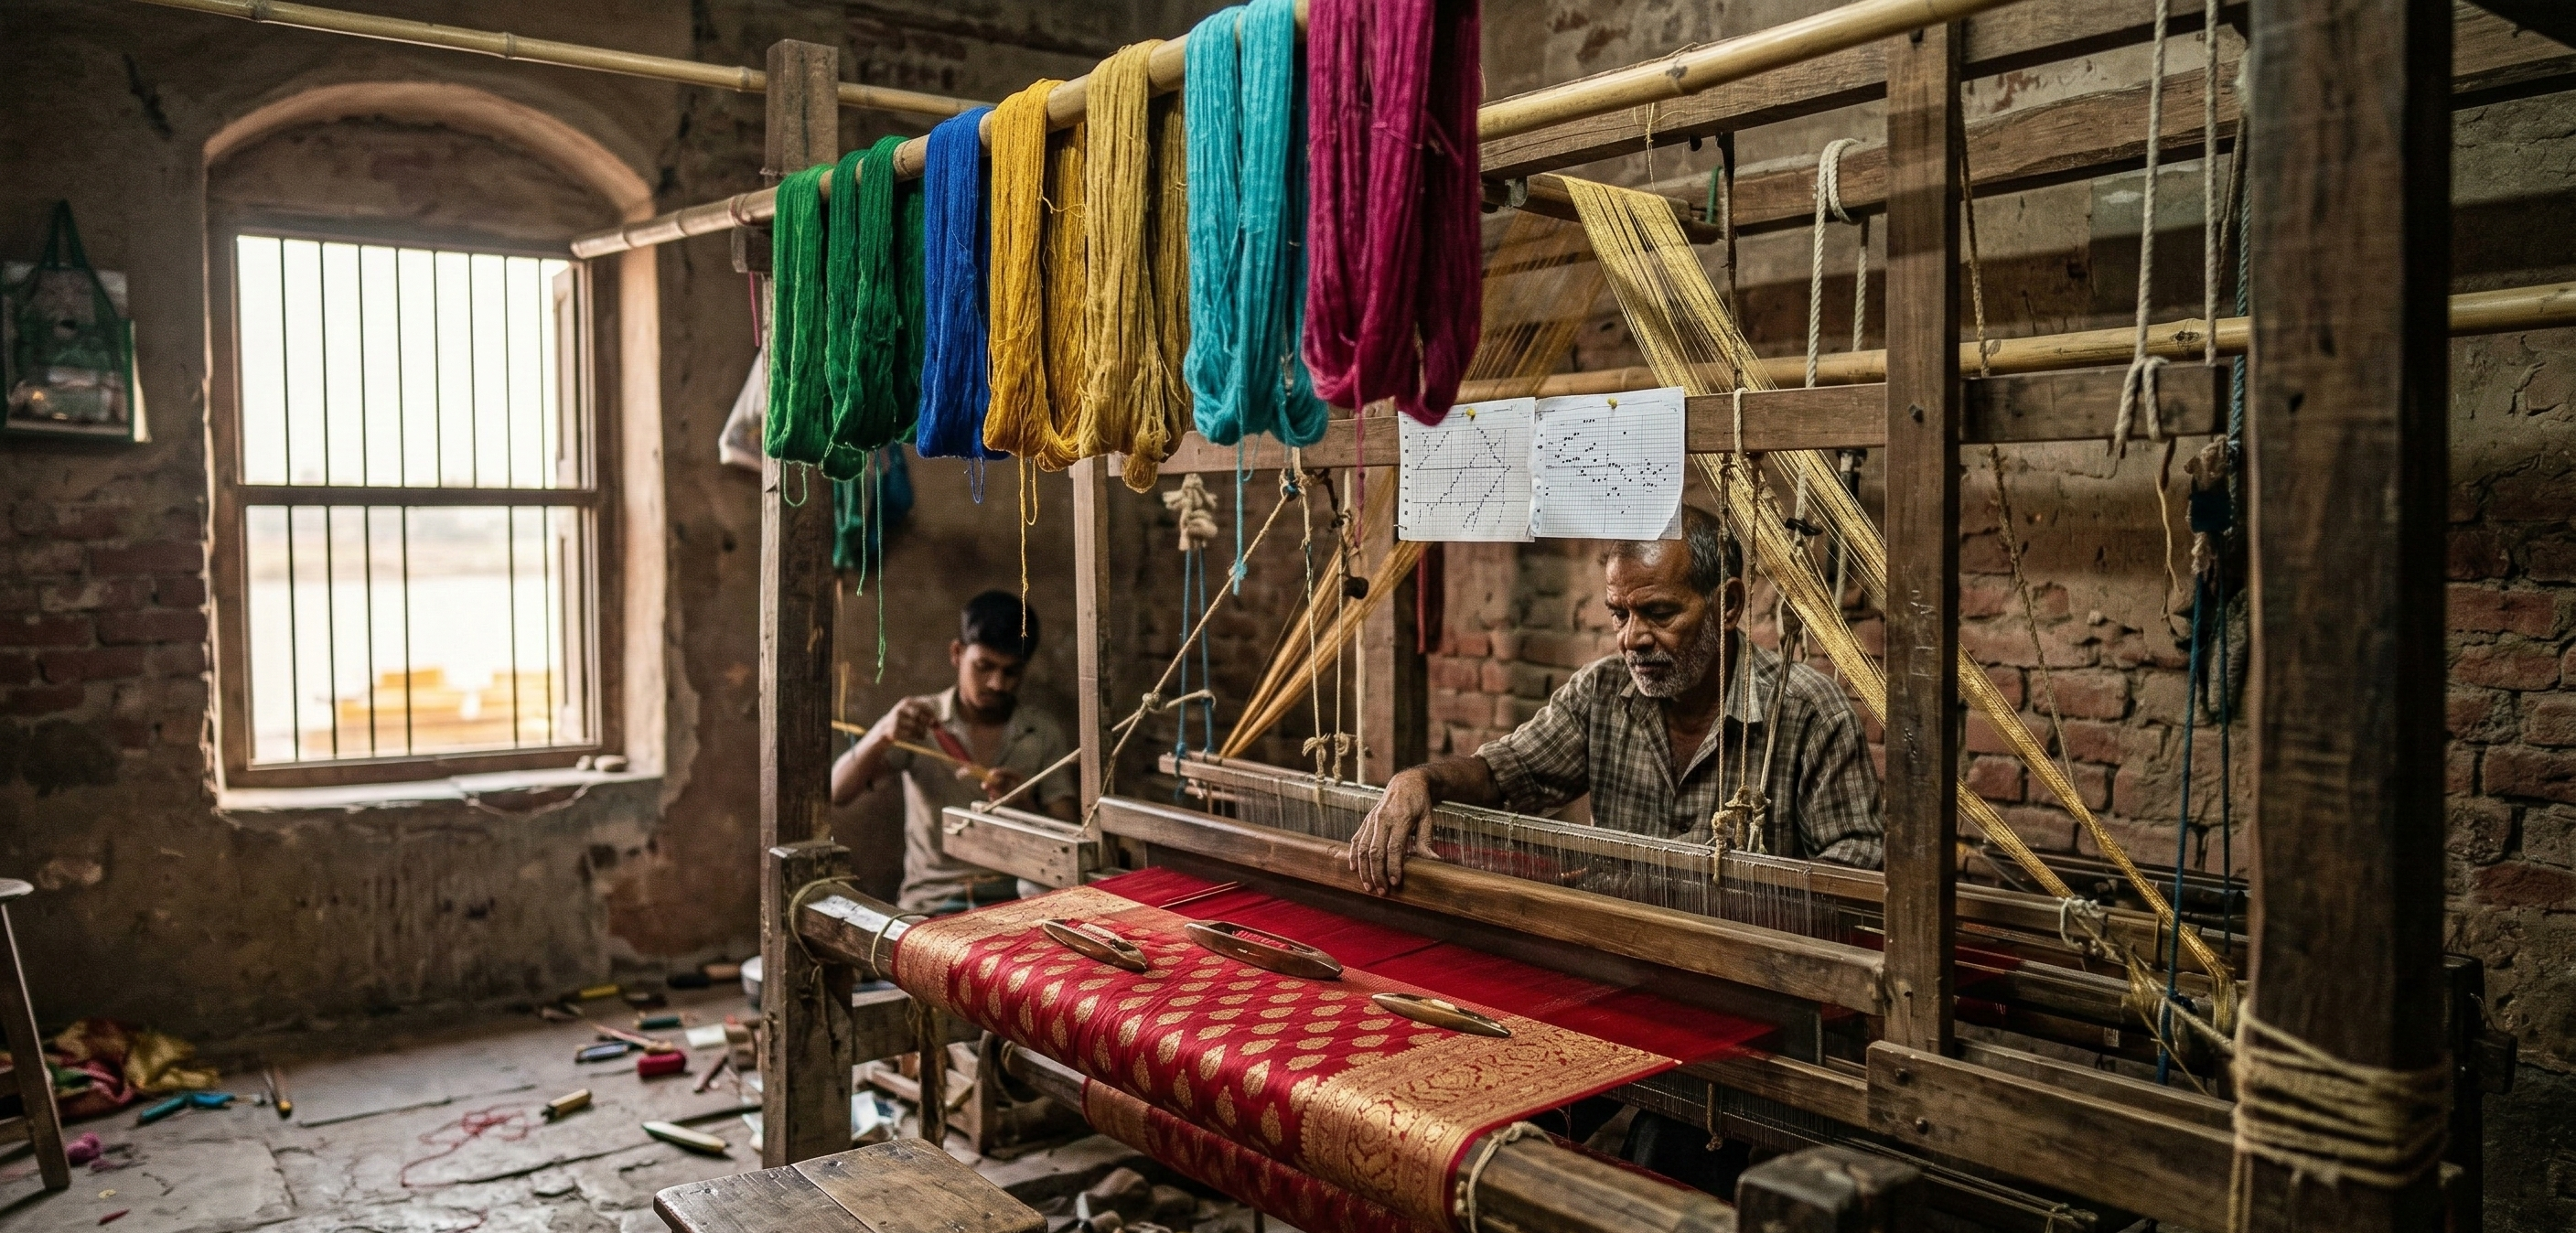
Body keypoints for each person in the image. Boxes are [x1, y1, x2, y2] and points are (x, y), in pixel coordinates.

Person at [1349, 504, 1883, 893]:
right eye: (1620, 614)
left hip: (1758, 981)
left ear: (1728, 605)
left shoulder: (1809, 712)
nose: (1632, 638)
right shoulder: (1602, 693)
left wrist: (1697, 895)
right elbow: (1504, 775)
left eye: (1659, 613)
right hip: (1623, 961)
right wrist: (1419, 780)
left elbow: (1857, 869)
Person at [833, 591, 1079, 915]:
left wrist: (1023, 807)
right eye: (984, 666)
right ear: (957, 653)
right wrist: (881, 734)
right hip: (932, 902)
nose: (997, 684)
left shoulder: (1041, 732)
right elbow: (838, 791)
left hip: (1018, 901)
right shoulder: (919, 722)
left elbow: (1071, 837)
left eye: (1011, 672)